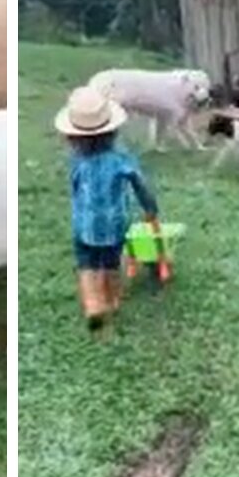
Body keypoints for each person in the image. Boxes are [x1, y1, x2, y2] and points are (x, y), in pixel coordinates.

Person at [54, 86, 162, 331]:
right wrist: (150, 209)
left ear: (73, 136)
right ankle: (112, 300)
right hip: (114, 225)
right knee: (111, 263)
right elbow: (141, 185)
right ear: (112, 130)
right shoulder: (122, 158)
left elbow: (75, 189)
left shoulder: (77, 161)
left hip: (84, 226)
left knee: (87, 264)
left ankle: (93, 304)